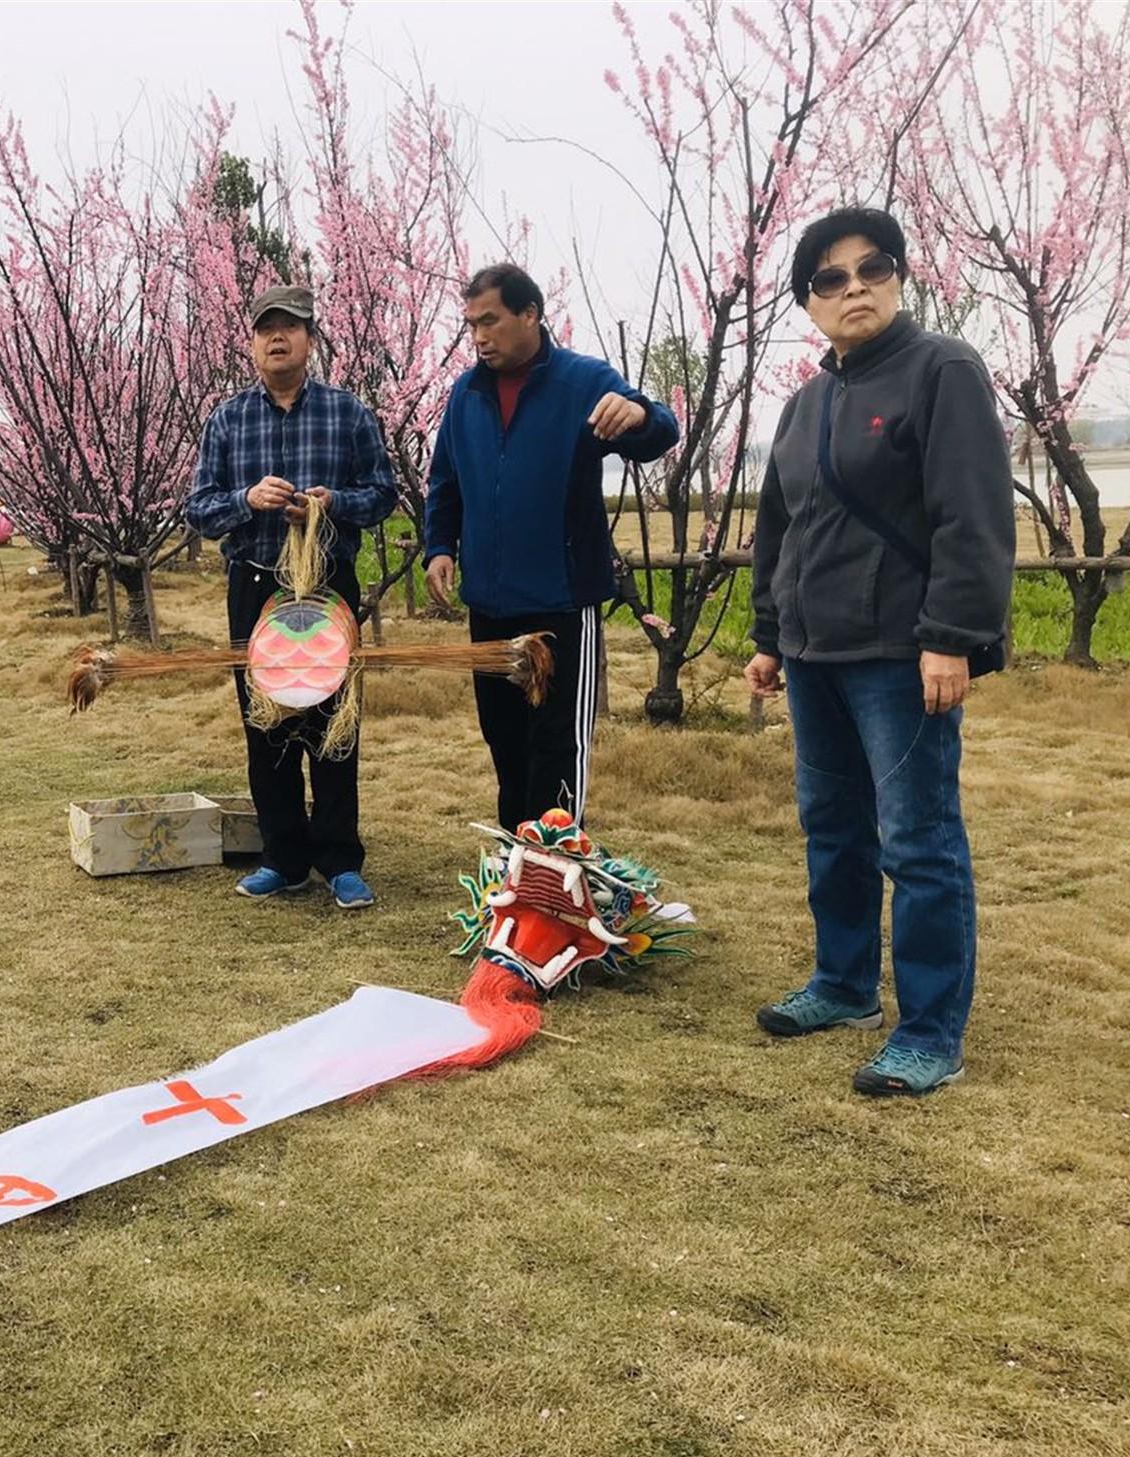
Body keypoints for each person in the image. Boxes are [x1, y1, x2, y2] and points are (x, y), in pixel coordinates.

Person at [744, 206, 1013, 1098]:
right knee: (832, 830)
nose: (852, 287)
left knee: (920, 841)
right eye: (830, 278)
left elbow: (972, 516)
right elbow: (779, 530)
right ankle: (844, 985)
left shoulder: (943, 370)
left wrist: (952, 639)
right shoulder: (805, 402)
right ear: (809, 301)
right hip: (815, 654)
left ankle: (931, 1031)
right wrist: (769, 641)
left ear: (899, 278)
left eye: (873, 268)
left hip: (904, 656)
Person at [424, 264, 681, 835]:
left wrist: (639, 414)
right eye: (470, 325)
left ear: (530, 315)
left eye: (490, 321)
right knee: (506, 746)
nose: (479, 337)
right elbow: (445, 481)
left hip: (560, 605)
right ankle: (517, 882)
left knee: (557, 750)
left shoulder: (581, 381)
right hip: (488, 608)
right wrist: (439, 545)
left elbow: (660, 430)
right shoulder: (465, 393)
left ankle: (555, 875)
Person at [185, 284, 399, 910]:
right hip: (255, 587)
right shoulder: (228, 419)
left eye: (290, 327)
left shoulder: (347, 413)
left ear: (310, 339)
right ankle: (283, 856)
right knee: (266, 723)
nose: (277, 337)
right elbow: (198, 509)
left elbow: (382, 494)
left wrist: (334, 502)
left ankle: (339, 859)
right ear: (252, 343)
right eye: (265, 329)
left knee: (334, 722)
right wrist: (245, 501)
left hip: (327, 586)